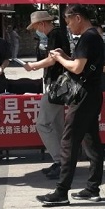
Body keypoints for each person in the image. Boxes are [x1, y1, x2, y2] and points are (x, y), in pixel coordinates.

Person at [36, 4, 105, 206]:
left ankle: (61, 192)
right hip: (93, 94)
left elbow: (77, 68)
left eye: (67, 20)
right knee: (92, 142)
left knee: (68, 143)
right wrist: (65, 57)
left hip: (83, 97)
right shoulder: (95, 36)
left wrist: (59, 58)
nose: (67, 25)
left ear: (77, 18)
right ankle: (92, 188)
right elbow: (82, 64)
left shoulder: (87, 37)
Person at [22, 11, 71, 180]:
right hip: (58, 85)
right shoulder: (56, 34)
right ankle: (63, 161)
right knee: (57, 125)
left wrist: (33, 65)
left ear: (42, 24)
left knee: (42, 123)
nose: (37, 30)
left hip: (56, 86)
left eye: (36, 27)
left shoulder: (55, 35)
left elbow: (53, 59)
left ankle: (60, 161)